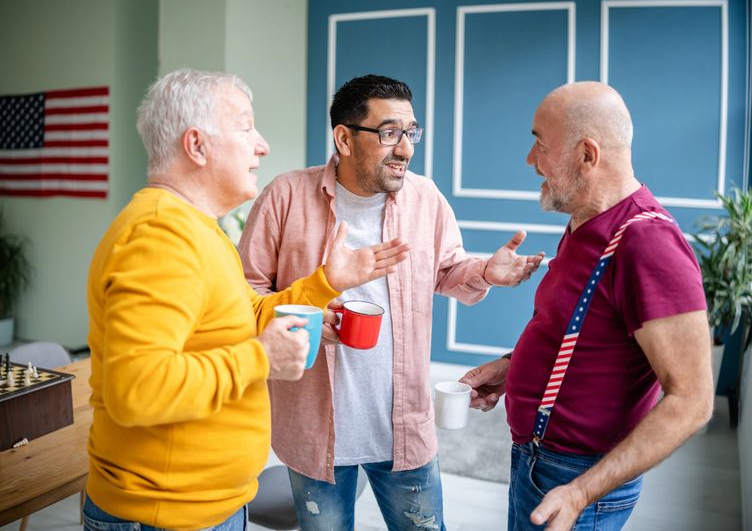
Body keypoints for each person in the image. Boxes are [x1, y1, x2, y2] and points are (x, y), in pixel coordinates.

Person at [83, 69, 409, 531]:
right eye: (245, 126)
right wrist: (260, 358)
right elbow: (137, 391)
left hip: (205, 508)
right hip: (164, 516)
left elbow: (245, 314)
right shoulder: (159, 237)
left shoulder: (198, 228)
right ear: (196, 146)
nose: (262, 144)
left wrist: (324, 284)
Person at [238, 74, 544, 530]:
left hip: (402, 427)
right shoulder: (285, 196)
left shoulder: (426, 199)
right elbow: (245, 291)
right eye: (389, 133)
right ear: (344, 138)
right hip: (313, 428)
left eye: (411, 132)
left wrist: (484, 272)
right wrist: (301, 314)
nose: (405, 148)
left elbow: (445, 271)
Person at [460, 81, 714, 531]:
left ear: (586, 155)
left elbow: (693, 401)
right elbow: (577, 333)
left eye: (539, 144)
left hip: (577, 482)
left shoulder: (649, 243)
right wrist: (510, 365)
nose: (529, 160)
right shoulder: (585, 220)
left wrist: (580, 492)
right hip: (537, 462)